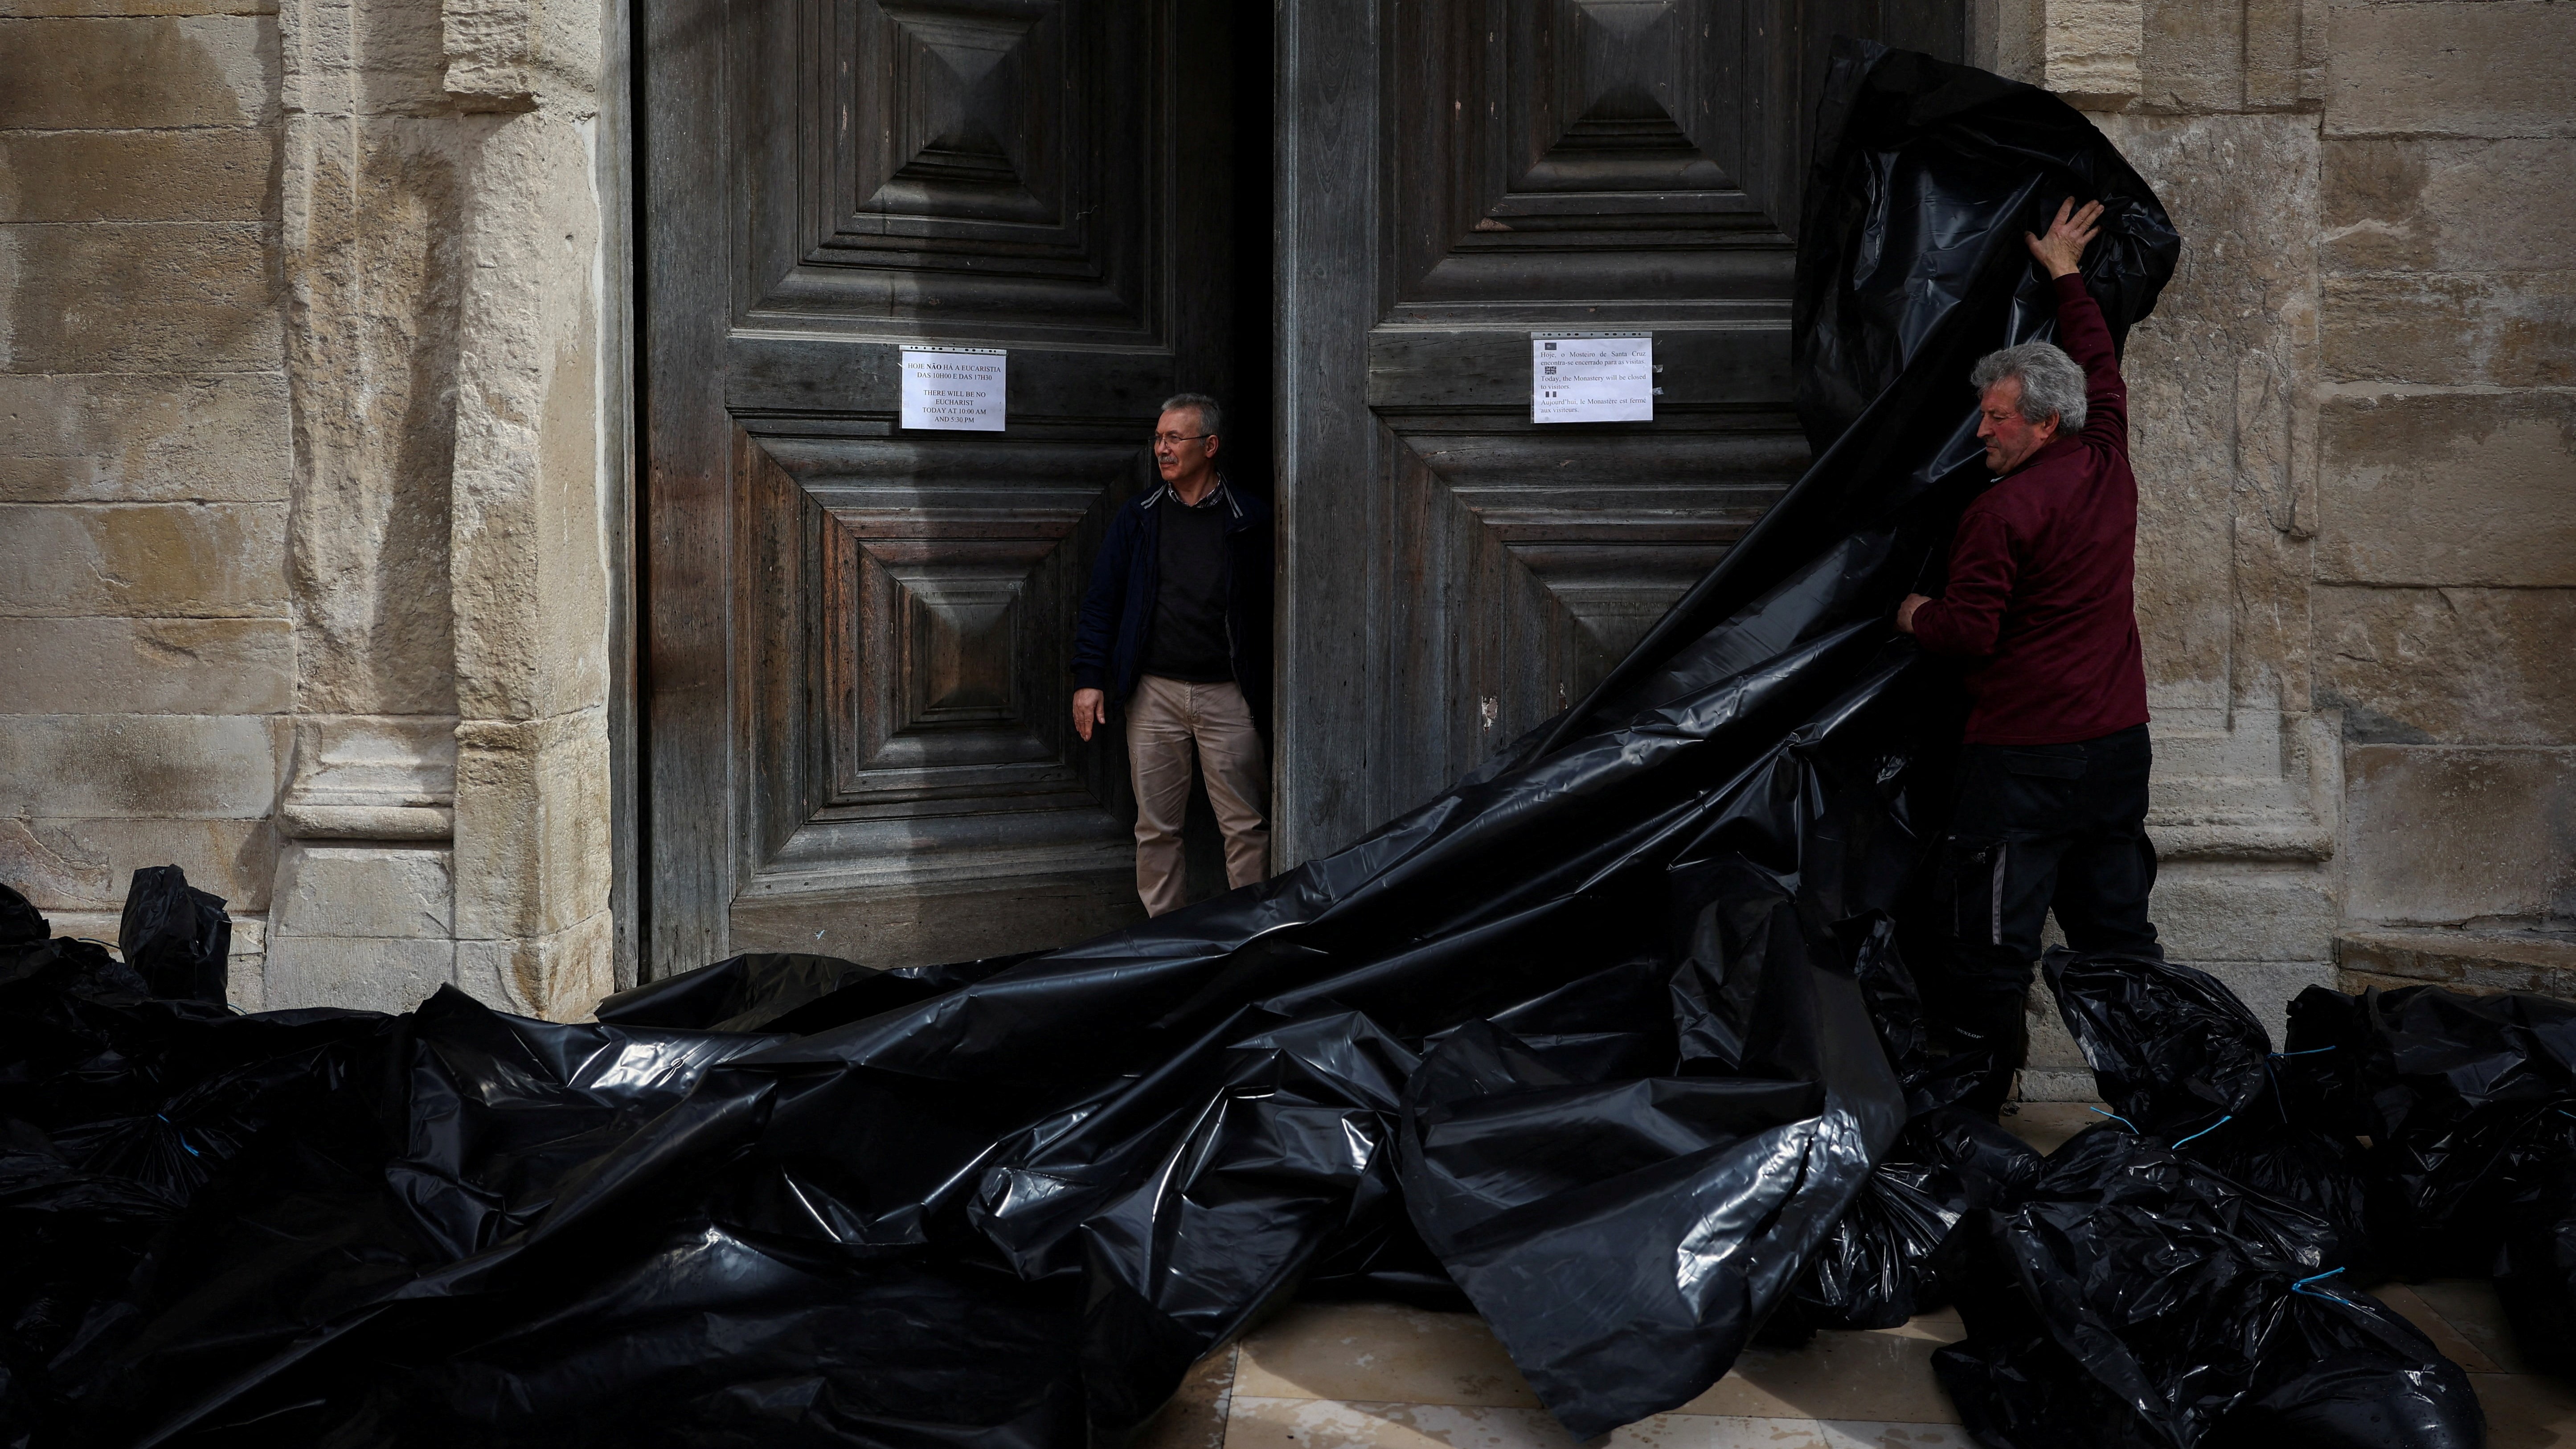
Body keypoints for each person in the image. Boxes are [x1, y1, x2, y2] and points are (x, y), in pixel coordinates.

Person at [1896, 198, 2162, 1115]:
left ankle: (1978, 1121)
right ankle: (2167, 1115)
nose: (1981, 433)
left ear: (2045, 425)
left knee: (1988, 953)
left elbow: (1966, 636)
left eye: (1999, 419)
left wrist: (1910, 611)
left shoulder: (1997, 514)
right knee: (2118, 942)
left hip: (2020, 769)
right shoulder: (2107, 457)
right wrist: (2063, 274)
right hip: (2117, 753)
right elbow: (2100, 365)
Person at [1072, 393, 1274, 916]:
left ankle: (1252, 936)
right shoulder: (1138, 518)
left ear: (1210, 446)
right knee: (1156, 830)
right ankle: (1167, 944)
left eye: (1173, 439)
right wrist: (1090, 677)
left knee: (1245, 827)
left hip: (1229, 696)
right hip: (1155, 695)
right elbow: (1102, 603)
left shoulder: (1250, 518)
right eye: (1158, 439)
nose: (1162, 449)